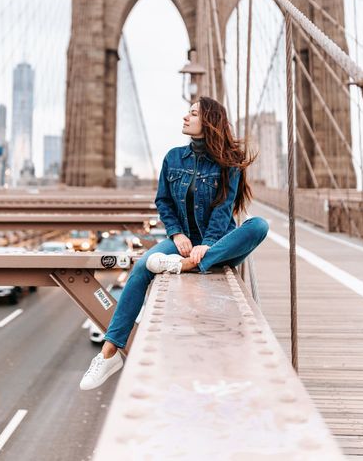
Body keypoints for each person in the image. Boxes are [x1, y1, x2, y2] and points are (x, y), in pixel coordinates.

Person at [79, 96, 269, 390]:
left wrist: (206, 245)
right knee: (142, 267)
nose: (184, 117)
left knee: (259, 226)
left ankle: (191, 264)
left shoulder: (229, 164)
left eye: (192, 113)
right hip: (181, 244)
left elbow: (222, 210)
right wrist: (178, 235)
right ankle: (109, 354)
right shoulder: (173, 158)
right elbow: (164, 202)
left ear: (208, 122)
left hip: (218, 247)